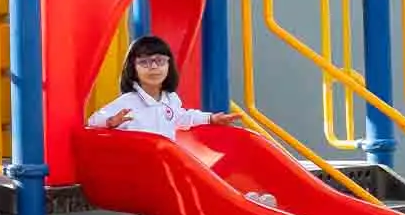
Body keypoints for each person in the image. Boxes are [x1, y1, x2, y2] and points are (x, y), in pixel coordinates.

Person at [89, 36, 271, 205]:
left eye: (159, 61)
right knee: (194, 175)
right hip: (142, 170)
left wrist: (211, 118)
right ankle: (239, 201)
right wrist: (112, 121)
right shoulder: (128, 101)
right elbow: (93, 120)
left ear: (168, 66)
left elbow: (182, 117)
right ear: (133, 69)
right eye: (144, 63)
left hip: (166, 166)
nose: (153, 67)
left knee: (200, 174)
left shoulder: (171, 98)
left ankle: (243, 201)